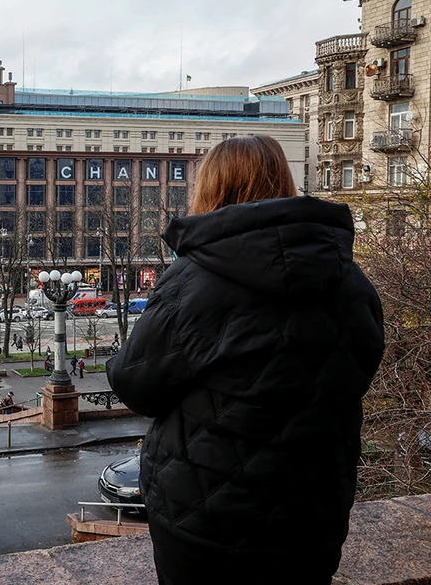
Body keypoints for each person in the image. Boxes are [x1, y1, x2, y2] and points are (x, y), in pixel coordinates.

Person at [109, 135, 384, 585]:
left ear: (213, 189)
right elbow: (360, 370)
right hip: (311, 517)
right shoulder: (349, 279)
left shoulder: (195, 280)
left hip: (206, 519)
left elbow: (135, 384)